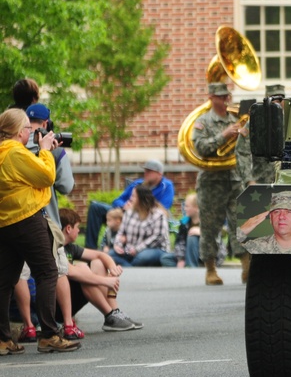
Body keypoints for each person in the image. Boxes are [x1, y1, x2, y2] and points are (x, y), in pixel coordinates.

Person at [0, 108, 80, 354]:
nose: (29, 133)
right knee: (47, 272)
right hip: (26, 219)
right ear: (17, 131)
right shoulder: (14, 152)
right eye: (28, 129)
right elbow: (46, 176)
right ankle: (48, 334)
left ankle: (3, 339)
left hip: (6, 223)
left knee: (4, 281)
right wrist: (45, 150)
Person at [192, 82, 247, 285]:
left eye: (227, 96)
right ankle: (210, 269)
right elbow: (201, 148)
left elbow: (243, 151)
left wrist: (243, 136)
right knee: (210, 227)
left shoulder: (235, 120)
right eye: (221, 97)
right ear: (211, 98)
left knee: (240, 223)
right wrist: (224, 136)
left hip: (233, 178)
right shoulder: (202, 122)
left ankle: (246, 266)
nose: (225, 100)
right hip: (211, 181)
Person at [85, 159, 174, 249]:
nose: (145, 173)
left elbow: (163, 208)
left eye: (149, 171)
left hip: (145, 217)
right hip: (125, 212)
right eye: (145, 170)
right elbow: (117, 200)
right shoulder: (138, 183)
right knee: (95, 208)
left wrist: (136, 208)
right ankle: (90, 249)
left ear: (159, 174)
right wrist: (124, 205)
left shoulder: (166, 186)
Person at [24, 103, 73, 229]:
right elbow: (66, 186)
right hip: (46, 224)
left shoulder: (15, 147)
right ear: (46, 124)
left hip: (17, 222)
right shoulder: (55, 151)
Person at [109, 185, 176, 267]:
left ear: (141, 199)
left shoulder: (158, 215)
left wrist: (137, 249)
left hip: (154, 249)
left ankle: (128, 267)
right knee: (110, 254)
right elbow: (120, 233)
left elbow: (157, 237)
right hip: (129, 250)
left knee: (142, 257)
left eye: (133, 196)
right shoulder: (128, 213)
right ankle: (131, 267)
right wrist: (117, 245)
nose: (130, 198)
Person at [236, 84, 284, 188]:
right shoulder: (256, 121)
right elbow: (242, 152)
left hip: (286, 182)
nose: (277, 103)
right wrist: (249, 180)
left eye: (280, 99)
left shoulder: (290, 120)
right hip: (261, 183)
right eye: (273, 99)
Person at [173, 192, 204, 268]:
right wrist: (181, 259)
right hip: (187, 254)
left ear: (196, 208)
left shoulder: (207, 221)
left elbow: (215, 241)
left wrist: (202, 233)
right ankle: (187, 266)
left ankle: (192, 268)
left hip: (206, 256)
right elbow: (180, 242)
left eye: (187, 206)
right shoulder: (184, 222)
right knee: (166, 258)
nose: (184, 208)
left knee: (192, 237)